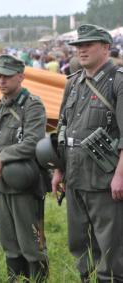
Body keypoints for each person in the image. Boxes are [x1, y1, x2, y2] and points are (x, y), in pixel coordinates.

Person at [52, 24, 123, 282]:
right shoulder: (73, 83)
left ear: (105, 47)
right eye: (79, 45)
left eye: (88, 44)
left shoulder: (118, 81)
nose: (81, 50)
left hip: (105, 179)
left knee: (111, 244)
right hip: (75, 175)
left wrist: (120, 176)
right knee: (79, 240)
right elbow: (63, 128)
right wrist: (59, 169)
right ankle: (86, 277)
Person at [0, 55, 49, 282]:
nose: (1, 81)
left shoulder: (33, 104)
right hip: (2, 184)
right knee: (10, 242)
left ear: (21, 76)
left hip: (24, 183)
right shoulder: (1, 105)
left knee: (31, 243)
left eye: (7, 76)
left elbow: (33, 141)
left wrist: (4, 157)